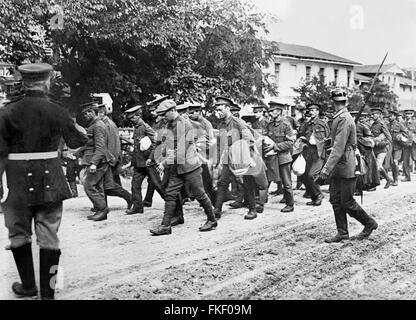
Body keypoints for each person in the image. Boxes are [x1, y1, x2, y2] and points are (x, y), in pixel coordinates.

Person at [0, 63, 88, 299]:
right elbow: (78, 139)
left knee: (18, 235)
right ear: (47, 82)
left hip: (16, 184)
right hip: (51, 182)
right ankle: (48, 294)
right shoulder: (57, 110)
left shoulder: (7, 112)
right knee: (49, 235)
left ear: (23, 82)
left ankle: (28, 286)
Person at [149, 99, 217, 235]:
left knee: (199, 194)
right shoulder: (169, 125)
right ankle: (165, 226)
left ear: (173, 110)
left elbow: (181, 150)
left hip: (189, 166)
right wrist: (153, 157)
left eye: (165, 114)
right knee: (170, 194)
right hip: (176, 167)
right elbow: (164, 143)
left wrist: (164, 163)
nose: (163, 117)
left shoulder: (184, 125)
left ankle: (212, 219)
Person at [318, 88, 378, 243]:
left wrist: (325, 170)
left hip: (346, 165)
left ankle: (369, 223)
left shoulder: (344, 119)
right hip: (340, 165)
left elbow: (339, 148)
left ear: (332, 102)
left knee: (347, 202)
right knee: (336, 200)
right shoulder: (341, 117)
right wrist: (329, 142)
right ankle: (342, 233)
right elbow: (338, 142)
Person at [213, 96, 259, 220]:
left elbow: (248, 140)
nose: (218, 112)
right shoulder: (221, 124)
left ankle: (253, 209)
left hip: (241, 158)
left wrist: (244, 158)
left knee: (246, 183)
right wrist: (217, 161)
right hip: (228, 158)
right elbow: (219, 144)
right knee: (222, 183)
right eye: (216, 110)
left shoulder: (239, 123)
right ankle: (217, 210)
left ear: (228, 108)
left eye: (220, 109)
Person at [125, 105, 165, 214]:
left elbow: (157, 143)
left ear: (138, 116)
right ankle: (138, 207)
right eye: (130, 118)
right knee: (135, 185)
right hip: (139, 163)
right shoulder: (137, 127)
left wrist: (151, 158)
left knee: (158, 185)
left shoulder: (146, 127)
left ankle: (173, 204)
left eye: (133, 117)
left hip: (148, 163)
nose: (131, 120)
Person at [78, 103, 114, 221]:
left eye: (88, 112)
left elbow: (100, 147)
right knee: (98, 186)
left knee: (89, 185)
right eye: (84, 113)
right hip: (98, 160)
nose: (85, 115)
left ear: (94, 112)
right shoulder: (94, 125)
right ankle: (101, 211)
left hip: (98, 161)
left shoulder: (98, 126)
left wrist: (94, 163)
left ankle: (102, 210)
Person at [96, 103, 132, 210]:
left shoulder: (108, 125)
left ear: (102, 113)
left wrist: (111, 160)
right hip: (107, 158)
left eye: (96, 113)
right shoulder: (104, 123)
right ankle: (102, 206)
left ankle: (129, 197)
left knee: (109, 185)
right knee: (103, 183)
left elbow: (112, 144)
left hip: (109, 159)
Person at [264, 102, 295, 212]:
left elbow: (290, 143)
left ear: (279, 111)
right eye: (269, 111)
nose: (270, 113)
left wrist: (275, 146)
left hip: (283, 157)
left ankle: (290, 204)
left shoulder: (286, 125)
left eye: (272, 111)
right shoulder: (270, 125)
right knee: (267, 179)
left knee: (286, 183)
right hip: (271, 157)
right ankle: (261, 202)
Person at [300, 103, 330, 206]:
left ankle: (318, 194)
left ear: (317, 111)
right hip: (309, 151)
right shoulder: (307, 124)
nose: (311, 112)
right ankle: (314, 197)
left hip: (319, 152)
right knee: (304, 175)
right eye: (310, 111)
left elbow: (329, 137)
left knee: (312, 174)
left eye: (313, 110)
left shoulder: (322, 123)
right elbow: (302, 135)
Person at [370, 108, 393, 188]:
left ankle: (374, 185)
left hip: (382, 149)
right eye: (371, 114)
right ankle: (388, 179)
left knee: (377, 166)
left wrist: (383, 143)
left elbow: (389, 137)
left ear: (379, 115)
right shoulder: (373, 124)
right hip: (375, 149)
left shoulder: (382, 124)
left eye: (374, 114)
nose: (372, 116)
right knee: (376, 167)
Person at [387, 110, 408, 186]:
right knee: (392, 164)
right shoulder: (387, 125)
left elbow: (406, 134)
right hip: (389, 147)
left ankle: (396, 181)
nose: (389, 117)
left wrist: (400, 136)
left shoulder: (399, 125)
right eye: (388, 116)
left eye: (391, 116)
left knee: (395, 162)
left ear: (394, 116)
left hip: (398, 147)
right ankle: (393, 179)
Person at [402, 109, 416, 181]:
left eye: (410, 114)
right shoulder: (403, 123)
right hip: (405, 143)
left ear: (412, 114)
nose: (408, 115)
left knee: (415, 158)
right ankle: (407, 177)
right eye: (407, 113)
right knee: (405, 160)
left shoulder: (414, 122)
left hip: (414, 143)